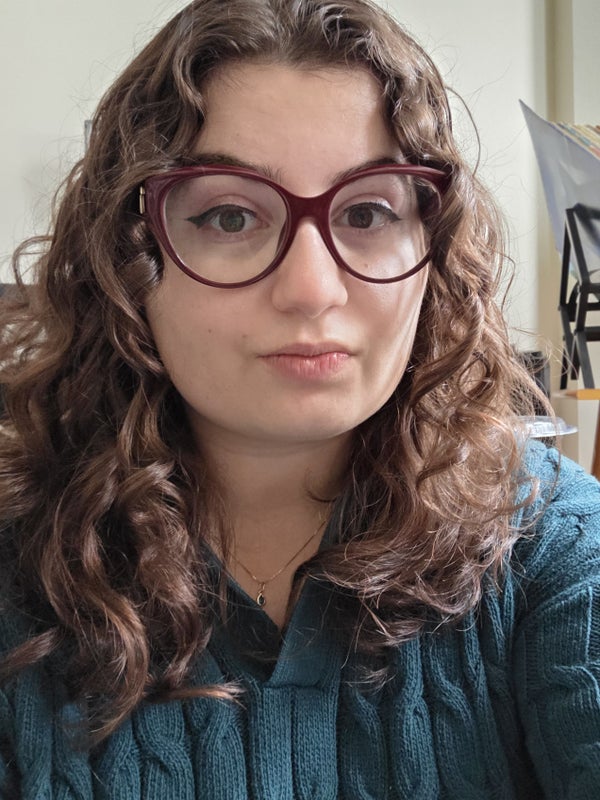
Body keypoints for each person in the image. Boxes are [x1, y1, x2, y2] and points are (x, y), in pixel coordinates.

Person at [0, 0, 599, 797]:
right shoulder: (18, 567)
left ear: (434, 250)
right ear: (128, 259)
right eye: (229, 215)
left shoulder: (552, 542)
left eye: (367, 212)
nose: (313, 288)